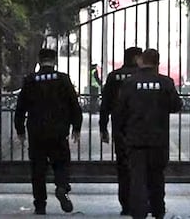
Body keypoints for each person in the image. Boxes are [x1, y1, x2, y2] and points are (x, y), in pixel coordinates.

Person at [114, 48, 183, 219]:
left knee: (137, 177)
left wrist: (120, 132)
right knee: (157, 176)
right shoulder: (165, 82)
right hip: (158, 139)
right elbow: (176, 105)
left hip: (135, 138)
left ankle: (138, 212)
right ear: (158, 63)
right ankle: (158, 209)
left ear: (141, 61)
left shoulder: (130, 83)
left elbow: (120, 110)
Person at [14, 48, 83, 215]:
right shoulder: (63, 79)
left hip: (36, 131)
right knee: (61, 163)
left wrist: (20, 129)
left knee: (38, 169)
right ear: (54, 61)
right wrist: (76, 126)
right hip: (59, 131)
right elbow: (74, 104)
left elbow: (21, 107)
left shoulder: (31, 80)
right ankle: (61, 187)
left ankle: (40, 204)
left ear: (39, 61)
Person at [99, 46, 143, 215]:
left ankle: (125, 205)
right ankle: (141, 202)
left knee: (123, 167)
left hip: (120, 126)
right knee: (141, 166)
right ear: (136, 58)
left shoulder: (114, 76)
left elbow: (106, 104)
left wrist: (103, 127)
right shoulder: (143, 77)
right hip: (141, 127)